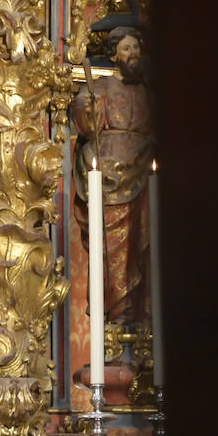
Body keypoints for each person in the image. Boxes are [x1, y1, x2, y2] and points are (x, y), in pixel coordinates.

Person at [70, 26, 154, 327]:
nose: (133, 54)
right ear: (114, 55)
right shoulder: (102, 86)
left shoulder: (147, 91)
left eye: (136, 48)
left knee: (142, 243)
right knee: (111, 248)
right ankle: (118, 313)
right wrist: (88, 108)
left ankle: (139, 314)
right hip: (108, 177)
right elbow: (84, 121)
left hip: (142, 172)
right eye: (127, 48)